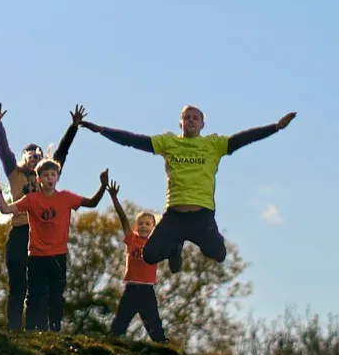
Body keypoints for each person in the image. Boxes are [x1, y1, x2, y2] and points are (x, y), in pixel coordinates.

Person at [80, 105, 296, 270]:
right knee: (150, 255)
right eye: (186, 117)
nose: (191, 120)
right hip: (175, 215)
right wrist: (101, 130)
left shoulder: (213, 144)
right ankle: (175, 246)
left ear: (203, 124)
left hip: (202, 216)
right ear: (180, 124)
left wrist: (275, 127)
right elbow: (134, 140)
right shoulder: (168, 142)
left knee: (219, 255)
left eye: (195, 118)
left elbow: (244, 138)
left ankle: (186, 240)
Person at [0, 102, 84, 330]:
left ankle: (39, 329)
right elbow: (4, 151)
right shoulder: (15, 172)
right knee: (17, 283)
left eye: (38, 155)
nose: (34, 157)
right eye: (30, 154)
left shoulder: (47, 176)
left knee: (39, 287)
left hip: (42, 236)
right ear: (23, 157)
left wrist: (73, 127)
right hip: (21, 230)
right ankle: (13, 329)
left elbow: (62, 152)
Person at [0, 159, 107, 331]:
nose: (49, 178)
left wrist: (102, 186)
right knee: (34, 295)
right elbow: (6, 210)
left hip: (58, 255)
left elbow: (92, 203)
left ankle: (54, 329)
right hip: (36, 255)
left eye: (53, 174)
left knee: (56, 296)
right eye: (45, 175)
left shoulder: (66, 197)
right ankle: (30, 330)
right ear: (39, 180)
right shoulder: (32, 199)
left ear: (57, 177)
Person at [106, 181, 164, 341]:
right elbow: (122, 216)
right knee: (119, 324)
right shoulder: (132, 239)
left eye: (147, 224)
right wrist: (114, 197)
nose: (144, 226)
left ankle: (164, 349)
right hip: (131, 288)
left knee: (154, 325)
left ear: (153, 227)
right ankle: (110, 343)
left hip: (147, 290)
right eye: (141, 223)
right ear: (136, 226)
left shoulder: (156, 243)